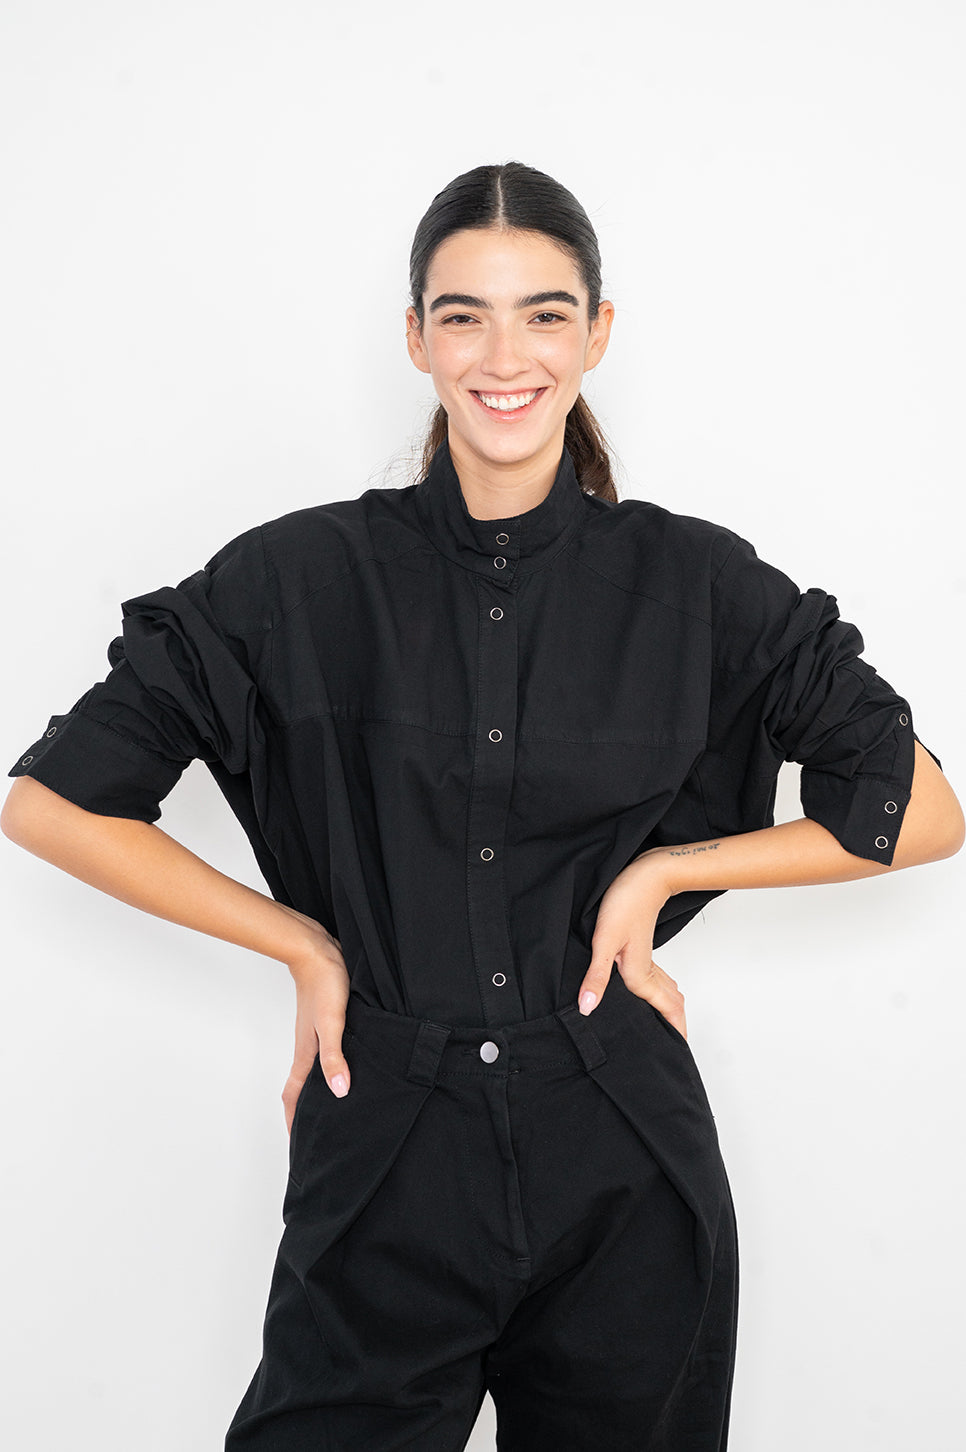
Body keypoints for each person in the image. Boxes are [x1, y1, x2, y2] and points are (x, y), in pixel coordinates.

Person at [2, 160, 962, 1452]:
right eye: (464, 316)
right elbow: (53, 801)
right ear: (416, 338)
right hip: (383, 1135)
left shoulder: (695, 584)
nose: (504, 357)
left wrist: (667, 873)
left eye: (544, 314)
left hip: (620, 1145)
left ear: (596, 334)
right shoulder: (297, 578)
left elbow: (920, 810)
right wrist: (304, 946)